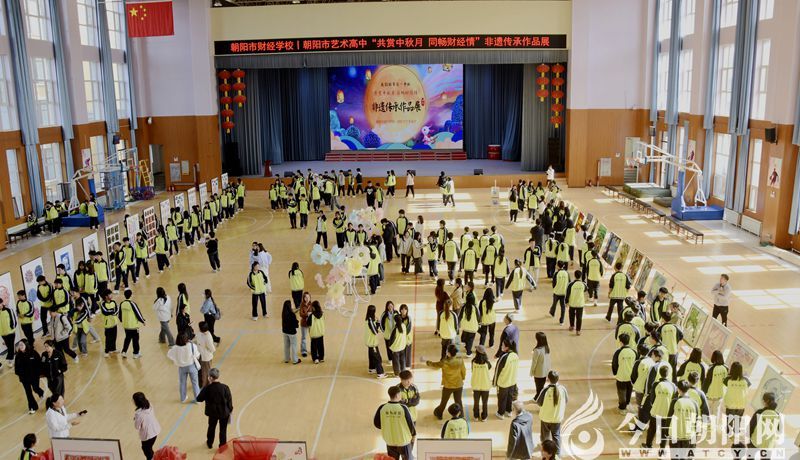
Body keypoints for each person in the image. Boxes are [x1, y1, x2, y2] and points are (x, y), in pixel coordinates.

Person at [374, 386, 416, 460]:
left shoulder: (382, 408)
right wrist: (413, 435)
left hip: (390, 441)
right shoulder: (403, 408)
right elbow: (410, 424)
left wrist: (387, 425)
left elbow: (376, 423)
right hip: (403, 442)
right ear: (397, 395)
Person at [425, 343, 466, 420]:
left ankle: (439, 413)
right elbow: (463, 370)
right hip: (459, 384)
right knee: (458, 401)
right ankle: (461, 414)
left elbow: (435, 365)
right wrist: (462, 378)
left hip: (448, 386)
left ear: (449, 353)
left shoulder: (445, 362)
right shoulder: (460, 359)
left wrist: (427, 362)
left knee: (444, 402)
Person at [196, 367, 234, 449]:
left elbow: (199, 399)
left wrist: (204, 391)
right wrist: (230, 410)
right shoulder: (225, 387)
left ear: (210, 377)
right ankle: (222, 446)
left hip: (212, 413)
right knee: (223, 430)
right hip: (224, 412)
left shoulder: (207, 388)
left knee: (211, 428)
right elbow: (229, 401)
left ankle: (209, 443)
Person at [643, 365, 675, 449]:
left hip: (656, 411)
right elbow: (673, 400)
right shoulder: (673, 386)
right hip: (666, 413)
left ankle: (648, 445)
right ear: (668, 374)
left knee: (652, 429)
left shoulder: (656, 384)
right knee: (664, 432)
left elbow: (652, 398)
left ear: (660, 373)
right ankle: (662, 449)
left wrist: (656, 404)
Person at [537, 370, 568, 454]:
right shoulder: (563, 389)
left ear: (548, 379)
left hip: (545, 418)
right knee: (556, 436)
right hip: (557, 418)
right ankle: (557, 455)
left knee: (545, 437)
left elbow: (539, 403)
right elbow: (566, 401)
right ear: (558, 379)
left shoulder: (545, 390)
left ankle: (546, 453)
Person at [166, 333, 201, 403]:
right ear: (186, 338)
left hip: (182, 367)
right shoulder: (192, 345)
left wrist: (177, 359)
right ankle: (198, 400)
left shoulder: (175, 348)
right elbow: (197, 355)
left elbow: (169, 355)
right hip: (192, 366)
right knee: (195, 383)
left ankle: (183, 398)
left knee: (182, 383)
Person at [667, 380, 700, 453]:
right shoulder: (694, 403)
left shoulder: (674, 401)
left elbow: (669, 418)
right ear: (688, 389)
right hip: (689, 436)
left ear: (678, 389)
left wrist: (666, 432)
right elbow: (697, 420)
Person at [723, 361, 751, 443]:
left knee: (729, 420)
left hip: (730, 404)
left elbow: (725, 383)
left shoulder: (728, 379)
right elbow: (748, 386)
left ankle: (729, 435)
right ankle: (736, 435)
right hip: (741, 405)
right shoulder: (746, 380)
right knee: (738, 420)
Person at [14, 340, 44, 414]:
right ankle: (32, 407)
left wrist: (39, 373)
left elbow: (39, 363)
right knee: (28, 393)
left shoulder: (33, 353)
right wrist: (20, 374)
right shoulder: (18, 356)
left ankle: (40, 392)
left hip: (34, 377)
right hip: (24, 378)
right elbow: (16, 368)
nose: (20, 346)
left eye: (22, 345)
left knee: (35, 388)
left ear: (26, 345)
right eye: (19, 345)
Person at [612, 333, 637, 415]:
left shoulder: (618, 352)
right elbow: (636, 364)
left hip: (621, 376)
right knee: (629, 391)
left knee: (621, 392)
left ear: (621, 342)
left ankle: (622, 408)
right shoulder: (634, 352)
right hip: (631, 377)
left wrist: (615, 372)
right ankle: (627, 404)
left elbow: (615, 364)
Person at [494, 339, 519, 418]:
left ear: (507, 347)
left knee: (502, 398)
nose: (501, 346)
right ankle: (509, 411)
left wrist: (494, 382)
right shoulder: (516, 355)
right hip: (512, 381)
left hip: (503, 382)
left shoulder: (504, 357)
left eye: (503, 345)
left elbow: (497, 370)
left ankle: (500, 413)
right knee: (509, 397)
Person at [133, 392, 161, 460]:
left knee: (146, 449)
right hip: (155, 430)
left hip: (148, 435)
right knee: (148, 449)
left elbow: (137, 427)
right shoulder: (149, 405)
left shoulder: (138, 414)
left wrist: (136, 419)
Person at [120, 289, 145, 359]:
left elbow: (120, 314)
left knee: (127, 338)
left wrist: (122, 320)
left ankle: (124, 352)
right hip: (133, 325)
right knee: (135, 339)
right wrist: (142, 321)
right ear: (131, 295)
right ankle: (136, 353)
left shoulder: (122, 303)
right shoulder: (132, 303)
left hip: (126, 325)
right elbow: (138, 313)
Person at [530, 332, 551, 400]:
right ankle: (538, 397)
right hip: (545, 371)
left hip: (538, 373)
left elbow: (534, 362)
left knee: (538, 387)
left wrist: (532, 371)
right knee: (541, 386)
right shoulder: (547, 347)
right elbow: (548, 360)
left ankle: (538, 398)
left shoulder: (537, 350)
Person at [196, 322, 216, 388]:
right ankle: (206, 385)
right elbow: (211, 348)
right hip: (206, 357)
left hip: (199, 355)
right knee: (206, 371)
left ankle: (200, 384)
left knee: (201, 371)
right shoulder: (208, 336)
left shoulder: (199, 334)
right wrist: (213, 350)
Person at [100, 290, 119, 357]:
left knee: (114, 337)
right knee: (108, 338)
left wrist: (112, 311)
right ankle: (106, 351)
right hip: (108, 324)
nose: (111, 295)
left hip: (114, 322)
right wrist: (113, 311)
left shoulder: (113, 302)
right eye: (110, 294)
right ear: (106, 296)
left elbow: (117, 310)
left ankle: (113, 349)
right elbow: (105, 312)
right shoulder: (102, 304)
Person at [282, 300, 301, 365]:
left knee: (286, 346)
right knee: (294, 346)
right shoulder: (292, 315)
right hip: (292, 333)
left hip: (285, 332)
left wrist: (295, 311)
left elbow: (291, 312)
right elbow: (295, 325)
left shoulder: (284, 313)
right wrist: (297, 320)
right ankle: (295, 360)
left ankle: (286, 359)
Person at [0, 298, 18, 364]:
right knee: (9, 346)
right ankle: (15, 354)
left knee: (10, 347)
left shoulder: (9, 310)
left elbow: (14, 320)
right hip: (3, 333)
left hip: (11, 332)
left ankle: (10, 359)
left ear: (2, 303)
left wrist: (12, 328)